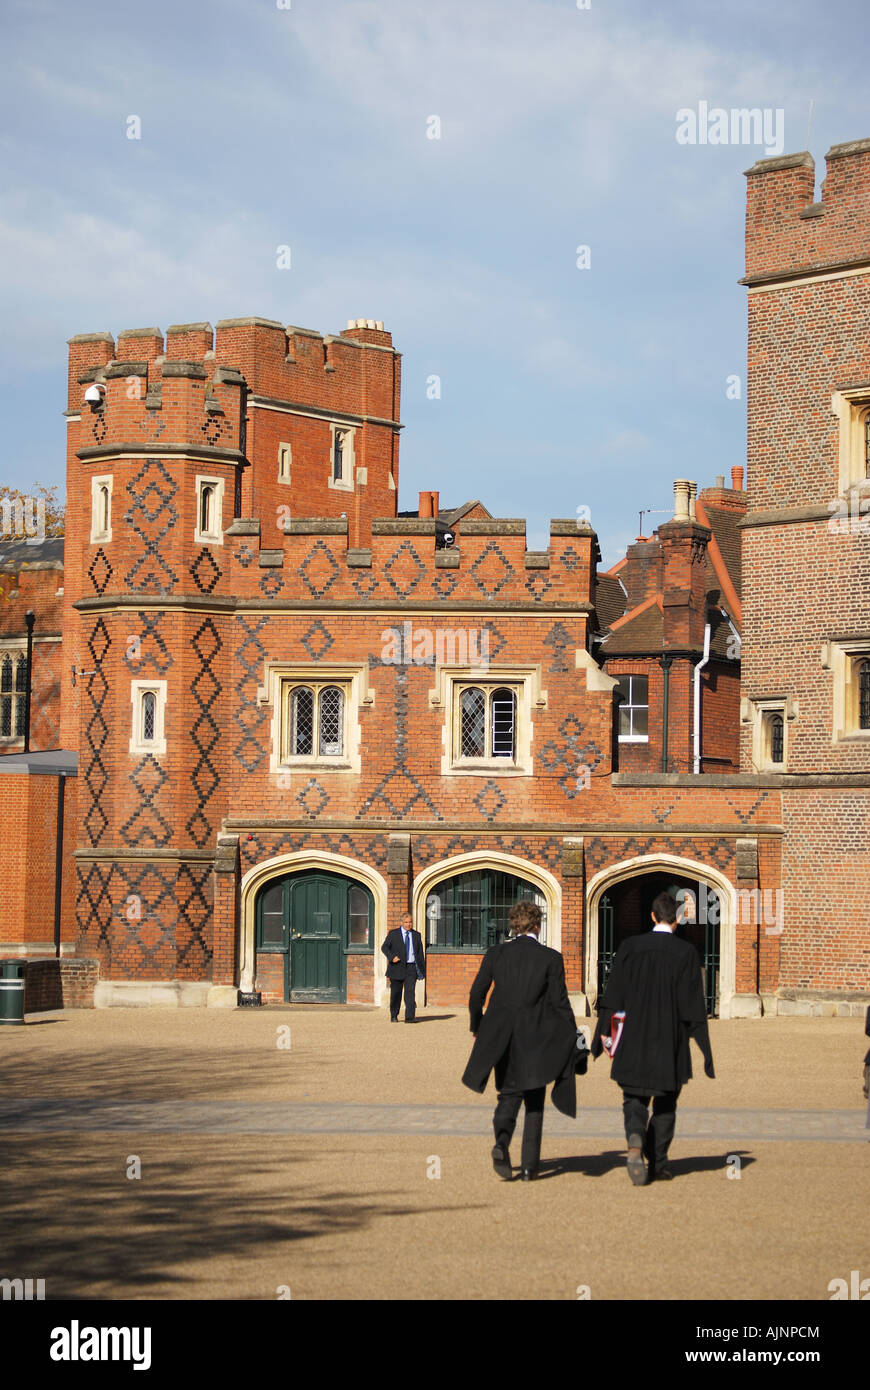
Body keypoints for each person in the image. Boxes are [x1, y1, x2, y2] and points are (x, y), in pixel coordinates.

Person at [592, 890, 714, 1186]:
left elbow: (613, 997)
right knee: (665, 1104)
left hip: (633, 1036)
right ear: (678, 919)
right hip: (669, 1040)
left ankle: (635, 1140)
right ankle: (659, 1162)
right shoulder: (686, 953)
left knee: (634, 1098)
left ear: (651, 916)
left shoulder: (630, 947)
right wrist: (705, 1051)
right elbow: (693, 1008)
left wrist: (598, 1040)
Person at [461, 901, 578, 1182]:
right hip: (537, 1034)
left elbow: (477, 994)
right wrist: (573, 1037)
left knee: (509, 1094)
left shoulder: (496, 953)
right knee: (535, 1101)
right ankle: (529, 1167)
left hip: (503, 1034)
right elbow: (560, 1004)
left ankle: (501, 1142)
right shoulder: (551, 958)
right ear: (537, 924)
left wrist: (477, 1025)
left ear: (514, 925)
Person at [381, 912, 425, 1023]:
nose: (408, 924)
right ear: (402, 922)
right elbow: (384, 947)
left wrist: (422, 969)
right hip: (397, 966)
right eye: (406, 922)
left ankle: (410, 1017)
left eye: (410, 922)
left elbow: (420, 954)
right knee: (396, 993)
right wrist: (392, 957)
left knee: (410, 993)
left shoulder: (416, 935)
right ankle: (394, 1015)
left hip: (411, 967)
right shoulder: (393, 934)